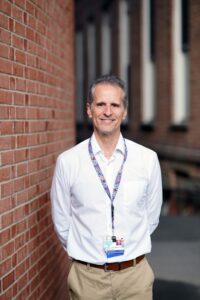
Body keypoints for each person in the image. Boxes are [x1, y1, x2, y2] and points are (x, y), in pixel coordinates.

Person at [51, 75, 162, 300]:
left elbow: (151, 217)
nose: (107, 112)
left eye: (115, 105)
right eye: (100, 104)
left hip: (135, 278)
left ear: (125, 111)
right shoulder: (68, 161)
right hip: (87, 280)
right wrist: (87, 254)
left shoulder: (147, 159)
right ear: (89, 110)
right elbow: (61, 221)